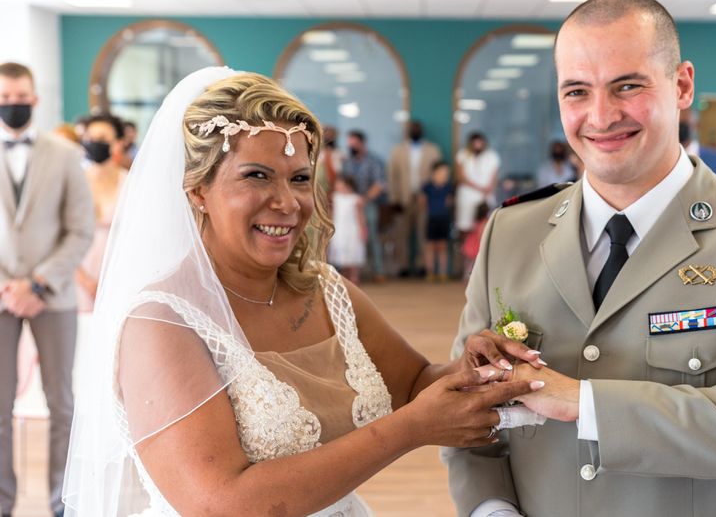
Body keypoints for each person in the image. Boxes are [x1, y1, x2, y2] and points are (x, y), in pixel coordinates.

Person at [61, 67, 543, 517]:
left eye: (299, 179)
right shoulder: (163, 324)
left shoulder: (328, 291)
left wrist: (472, 370)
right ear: (197, 190)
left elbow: (414, 384)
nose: (287, 202)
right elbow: (219, 503)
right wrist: (411, 429)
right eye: (256, 176)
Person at [444, 0, 716, 517]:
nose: (601, 116)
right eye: (577, 91)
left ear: (681, 85)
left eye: (627, 86)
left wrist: (583, 403)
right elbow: (470, 413)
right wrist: (492, 510)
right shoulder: (511, 232)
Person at [0, 62, 95, 517]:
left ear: (34, 99)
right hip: (0, 298)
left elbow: (80, 230)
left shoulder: (62, 154)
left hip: (53, 296)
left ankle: (62, 504)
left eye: (21, 98)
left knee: (61, 404)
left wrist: (38, 283)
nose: (13, 105)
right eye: (5, 97)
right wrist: (8, 288)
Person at [75, 114, 128, 312]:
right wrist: (85, 280)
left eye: (103, 139)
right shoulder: (74, 182)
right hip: (75, 275)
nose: (95, 143)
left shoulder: (131, 184)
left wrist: (110, 280)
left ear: (119, 143)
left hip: (118, 275)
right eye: (90, 138)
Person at [388, 120, 441, 277]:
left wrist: (433, 196)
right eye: (412, 128)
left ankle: (423, 265)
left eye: (417, 128)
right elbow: (392, 175)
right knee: (401, 233)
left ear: (422, 131)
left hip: (425, 198)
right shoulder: (398, 150)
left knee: (423, 233)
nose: (415, 131)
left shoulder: (433, 150)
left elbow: (438, 174)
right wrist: (394, 198)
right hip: (403, 198)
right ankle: (402, 266)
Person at [341, 129, 386, 281]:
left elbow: (379, 184)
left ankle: (378, 272)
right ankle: (350, 273)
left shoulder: (373, 161)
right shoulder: (347, 161)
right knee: (350, 238)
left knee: (371, 236)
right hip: (348, 206)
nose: (351, 146)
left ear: (362, 143)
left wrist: (364, 199)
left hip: (367, 204)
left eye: (354, 143)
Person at [328, 175, 367, 284]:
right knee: (342, 255)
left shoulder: (355, 199)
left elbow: (360, 216)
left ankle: (354, 276)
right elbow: (332, 214)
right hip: (339, 228)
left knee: (352, 252)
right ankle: (344, 278)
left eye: (339, 183)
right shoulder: (335, 198)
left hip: (352, 229)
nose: (336, 185)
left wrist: (363, 229)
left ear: (347, 185)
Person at [421, 161, 454, 281]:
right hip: (431, 218)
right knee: (430, 246)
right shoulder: (427, 187)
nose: (444, 175)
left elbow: (449, 202)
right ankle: (430, 271)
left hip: (444, 219)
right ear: (434, 173)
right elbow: (422, 201)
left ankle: (442, 272)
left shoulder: (449, 187)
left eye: (446, 173)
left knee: (442, 246)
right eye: (441, 172)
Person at [461, 202, 490, 281]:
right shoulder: (484, 221)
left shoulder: (475, 220)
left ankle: (467, 275)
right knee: (475, 262)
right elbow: (481, 234)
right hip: (477, 244)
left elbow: (471, 230)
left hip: (470, 243)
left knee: (469, 262)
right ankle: (470, 276)